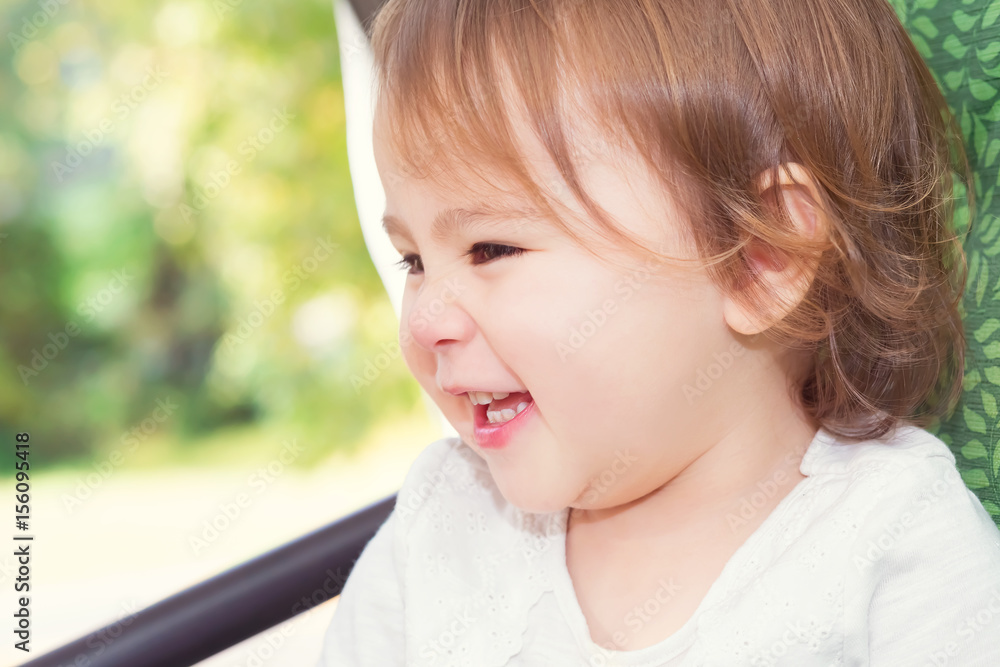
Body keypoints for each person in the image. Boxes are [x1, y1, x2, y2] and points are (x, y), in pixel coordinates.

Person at [319, 0, 1000, 664]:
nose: (424, 320)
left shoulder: (897, 545)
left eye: (492, 248)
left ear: (759, 259)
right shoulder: (443, 523)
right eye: (412, 261)